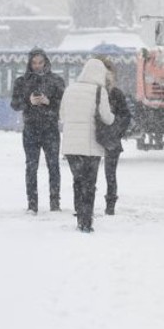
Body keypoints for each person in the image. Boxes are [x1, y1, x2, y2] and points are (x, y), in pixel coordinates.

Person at [60, 57, 114, 233]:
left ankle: (79, 216)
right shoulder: (100, 91)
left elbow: (62, 116)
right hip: (91, 145)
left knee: (78, 180)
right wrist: (114, 118)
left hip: (71, 145)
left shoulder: (69, 89)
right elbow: (107, 118)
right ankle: (86, 221)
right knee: (89, 183)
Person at [10, 48, 67, 214]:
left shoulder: (56, 81)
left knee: (53, 165)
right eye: (34, 63)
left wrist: (49, 101)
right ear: (29, 63)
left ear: (46, 62)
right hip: (30, 129)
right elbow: (14, 104)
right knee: (31, 166)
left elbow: (63, 105)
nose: (37, 66)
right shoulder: (22, 81)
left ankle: (55, 203)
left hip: (50, 129)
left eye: (40, 62)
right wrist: (28, 101)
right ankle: (32, 203)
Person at [99, 57, 132, 215]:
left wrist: (115, 131)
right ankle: (87, 203)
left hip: (111, 139)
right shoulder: (93, 92)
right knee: (90, 174)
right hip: (95, 138)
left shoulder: (115, 93)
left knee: (110, 174)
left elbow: (125, 116)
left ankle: (110, 204)